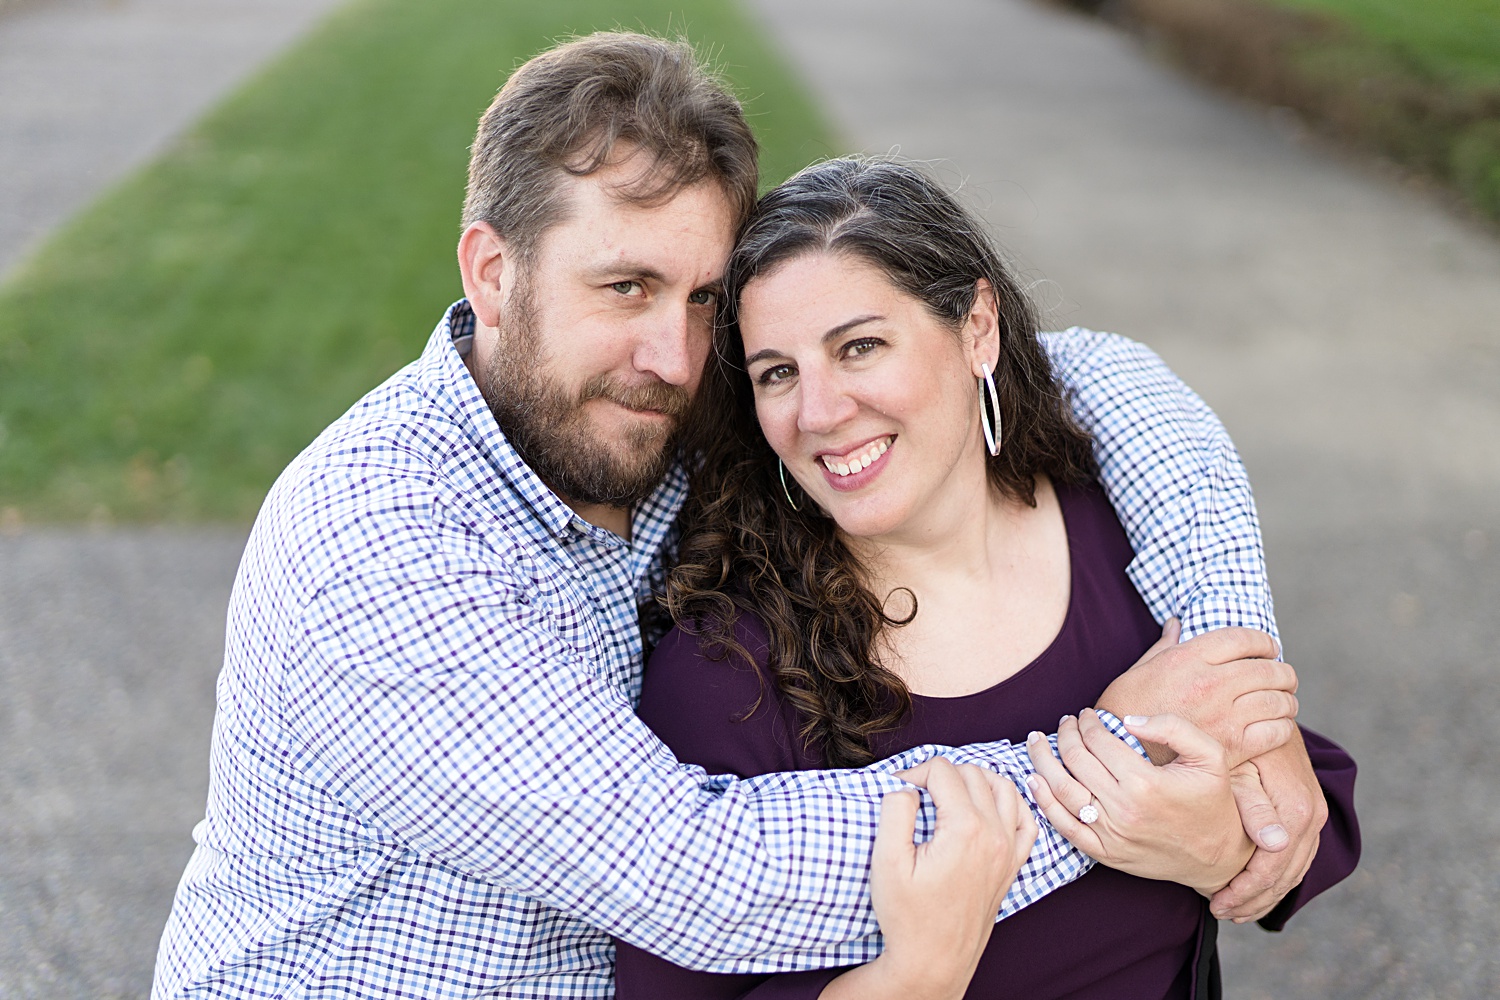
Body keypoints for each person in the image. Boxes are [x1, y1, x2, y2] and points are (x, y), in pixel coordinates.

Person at [152, 33, 1325, 1000]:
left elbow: (1093, 375)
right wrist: (1136, 760)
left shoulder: (653, 413)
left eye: (705, 296)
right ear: (493, 273)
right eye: (625, 287)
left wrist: (1232, 664)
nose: (672, 355)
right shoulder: (380, 541)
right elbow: (702, 871)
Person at [611, 157, 1359, 999]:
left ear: (977, 329)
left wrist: (1218, 845)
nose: (817, 413)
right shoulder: (728, 670)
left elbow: (1311, 818)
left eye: (860, 346)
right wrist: (912, 973)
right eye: (777, 372)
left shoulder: (1116, 528)